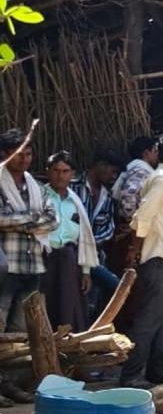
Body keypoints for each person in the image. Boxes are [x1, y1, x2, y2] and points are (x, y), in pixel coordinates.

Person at [119, 136, 163, 388]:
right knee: (149, 319)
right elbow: (142, 215)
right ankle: (131, 374)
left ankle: (156, 370)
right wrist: (135, 249)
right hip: (159, 257)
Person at [0, 129, 58, 333]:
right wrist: (33, 218)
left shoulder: (37, 187)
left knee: (22, 329)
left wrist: (18, 221)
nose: (24, 159)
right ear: (5, 155)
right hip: (6, 266)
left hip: (32, 265)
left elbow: (53, 220)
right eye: (18, 154)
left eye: (28, 154)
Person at [42, 151, 99, 332]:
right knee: (44, 306)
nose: (60, 175)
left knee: (68, 307)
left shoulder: (76, 201)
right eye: (56, 170)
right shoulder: (39, 196)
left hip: (68, 260)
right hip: (44, 258)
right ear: (48, 171)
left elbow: (84, 237)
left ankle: (67, 346)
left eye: (65, 171)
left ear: (72, 173)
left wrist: (86, 271)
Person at [71, 150, 122, 319]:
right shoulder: (73, 187)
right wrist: (83, 243)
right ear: (100, 166)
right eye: (112, 171)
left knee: (93, 301)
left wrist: (90, 244)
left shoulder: (107, 197)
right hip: (72, 253)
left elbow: (108, 229)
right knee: (114, 285)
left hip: (94, 256)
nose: (114, 176)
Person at [108, 136, 158, 275]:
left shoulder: (133, 167)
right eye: (155, 150)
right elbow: (128, 198)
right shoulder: (141, 169)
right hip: (130, 234)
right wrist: (133, 224)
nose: (157, 154)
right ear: (146, 153)